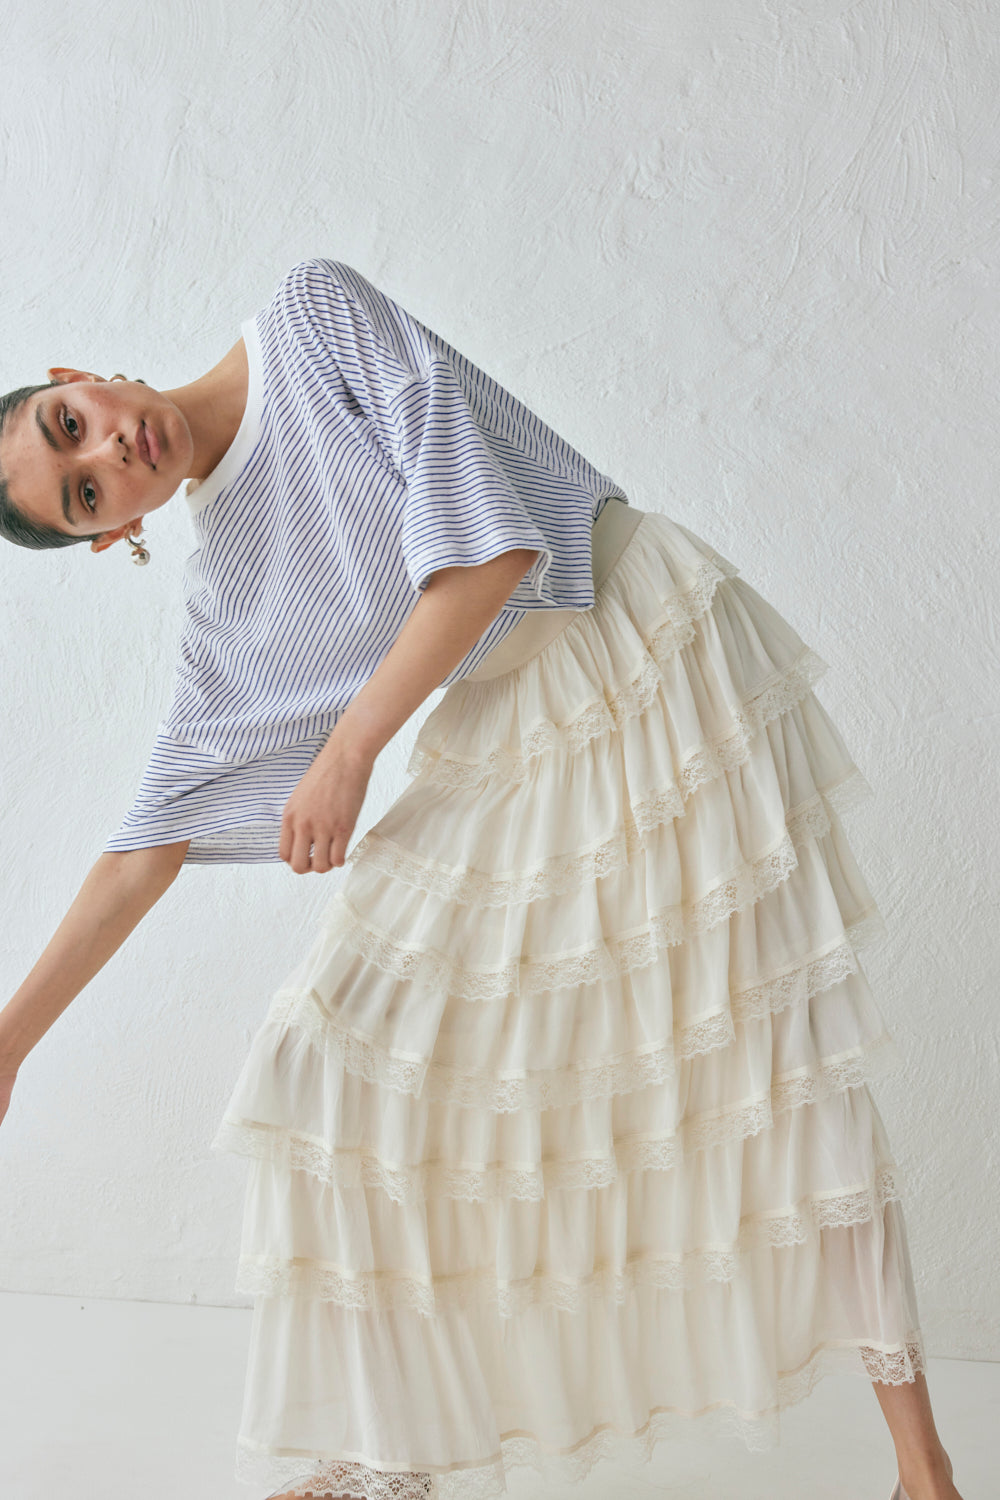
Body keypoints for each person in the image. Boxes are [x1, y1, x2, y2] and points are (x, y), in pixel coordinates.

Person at [0, 258, 961, 1500]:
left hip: (640, 640)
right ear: (113, 533)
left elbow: (495, 550)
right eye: (86, 492)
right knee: (334, 1061)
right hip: (515, 719)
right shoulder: (230, 598)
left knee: (775, 1054)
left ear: (78, 375)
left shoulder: (312, 318)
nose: (109, 453)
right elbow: (148, 845)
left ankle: (922, 1473)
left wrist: (349, 753)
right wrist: (10, 1045)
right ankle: (395, 1456)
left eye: (70, 425)